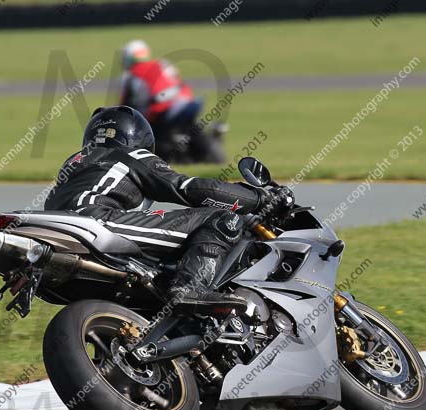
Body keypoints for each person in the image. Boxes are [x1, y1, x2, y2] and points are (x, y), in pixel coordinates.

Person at [44, 106, 294, 311]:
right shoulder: (127, 155)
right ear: (136, 136)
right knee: (221, 219)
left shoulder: (74, 165)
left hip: (60, 241)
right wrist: (258, 198)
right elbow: (188, 188)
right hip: (98, 222)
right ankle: (191, 288)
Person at [119, 40, 206, 159]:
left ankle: (160, 159)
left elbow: (133, 101)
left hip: (164, 109)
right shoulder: (163, 63)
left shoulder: (133, 74)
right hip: (188, 101)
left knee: (151, 134)